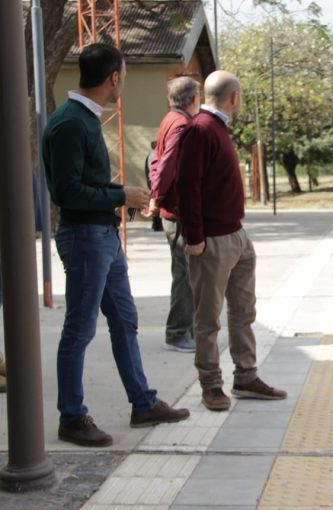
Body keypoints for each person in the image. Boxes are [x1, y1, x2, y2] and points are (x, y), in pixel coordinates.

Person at [42, 43, 189, 447]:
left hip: (102, 236)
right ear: (114, 78)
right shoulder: (71, 122)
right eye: (124, 74)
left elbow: (84, 184)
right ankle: (71, 417)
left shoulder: (84, 118)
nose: (123, 80)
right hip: (85, 238)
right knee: (79, 329)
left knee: (125, 321)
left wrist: (123, 194)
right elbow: (68, 192)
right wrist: (120, 195)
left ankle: (143, 403)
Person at [176, 70, 286, 411]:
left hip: (236, 235)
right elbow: (186, 187)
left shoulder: (218, 129)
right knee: (208, 319)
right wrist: (194, 237)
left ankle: (246, 376)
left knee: (243, 311)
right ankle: (211, 385)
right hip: (211, 241)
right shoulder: (200, 130)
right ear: (234, 97)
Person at [145, 77, 200, 353]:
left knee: (184, 271)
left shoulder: (170, 119)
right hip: (177, 211)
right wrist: (156, 197)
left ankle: (185, 330)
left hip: (171, 208)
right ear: (193, 100)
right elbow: (166, 165)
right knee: (185, 273)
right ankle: (178, 333)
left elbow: (157, 158)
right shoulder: (182, 125)